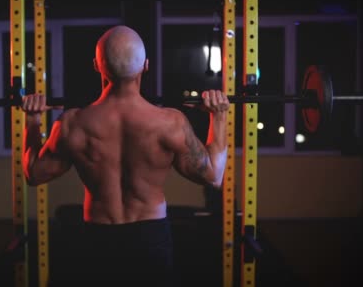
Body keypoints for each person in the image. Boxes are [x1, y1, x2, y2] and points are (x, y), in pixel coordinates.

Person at [21, 25, 229, 286]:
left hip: (97, 237)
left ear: (97, 65)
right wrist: (218, 116)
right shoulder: (169, 123)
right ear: (146, 66)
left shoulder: (72, 123)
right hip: (150, 237)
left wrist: (32, 121)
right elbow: (214, 175)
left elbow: (33, 173)